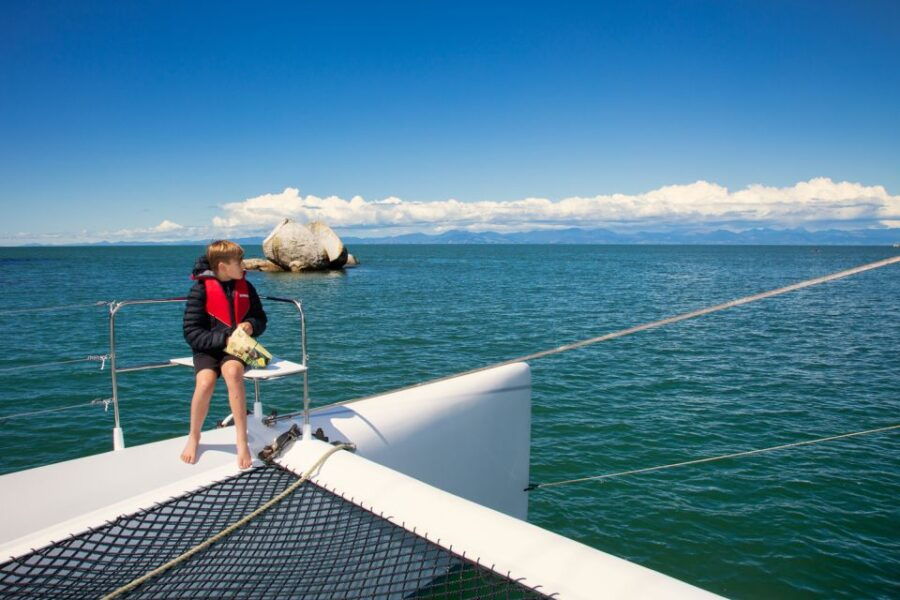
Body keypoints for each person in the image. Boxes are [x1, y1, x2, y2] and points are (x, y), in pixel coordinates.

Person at [180, 240, 267, 469]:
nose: (244, 265)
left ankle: (241, 439)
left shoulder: (247, 288)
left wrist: (250, 325)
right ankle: (194, 436)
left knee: (233, 370)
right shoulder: (200, 291)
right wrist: (223, 339)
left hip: (237, 349)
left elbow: (260, 319)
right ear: (223, 266)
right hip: (208, 347)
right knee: (205, 381)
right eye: (239, 261)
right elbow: (191, 332)